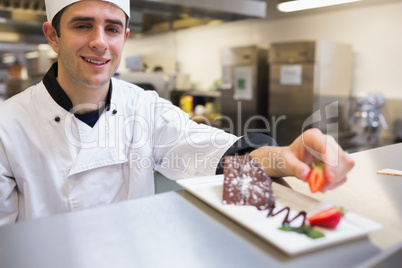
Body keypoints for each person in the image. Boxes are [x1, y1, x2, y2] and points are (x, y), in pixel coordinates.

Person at [0, 0, 354, 226]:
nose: (100, 42)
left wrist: (282, 157)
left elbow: (210, 153)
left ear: (125, 35)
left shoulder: (144, 106)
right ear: (53, 36)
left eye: (112, 28)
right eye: (82, 25)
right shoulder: (9, 124)